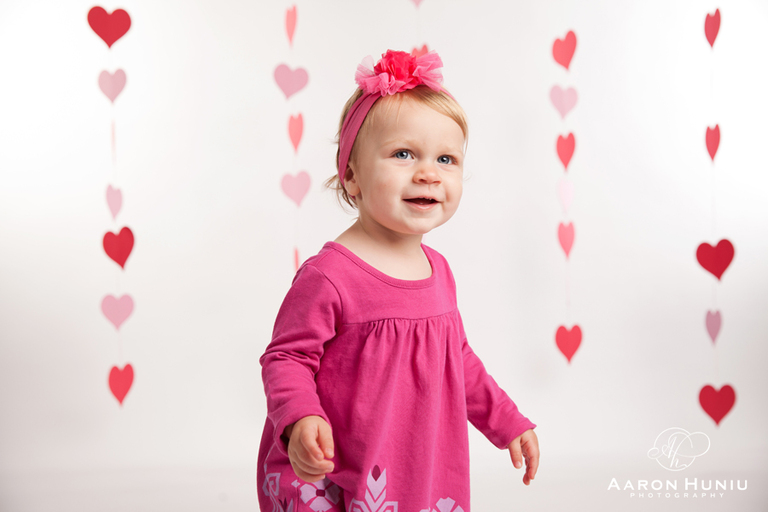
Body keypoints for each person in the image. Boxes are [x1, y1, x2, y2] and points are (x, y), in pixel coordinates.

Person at [257, 49, 539, 512]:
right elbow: (286, 356)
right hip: (333, 469)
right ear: (351, 176)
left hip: (413, 467)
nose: (428, 172)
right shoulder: (330, 276)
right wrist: (299, 418)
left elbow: (458, 360)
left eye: (446, 159)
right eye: (403, 154)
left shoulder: (440, 271)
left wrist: (507, 421)